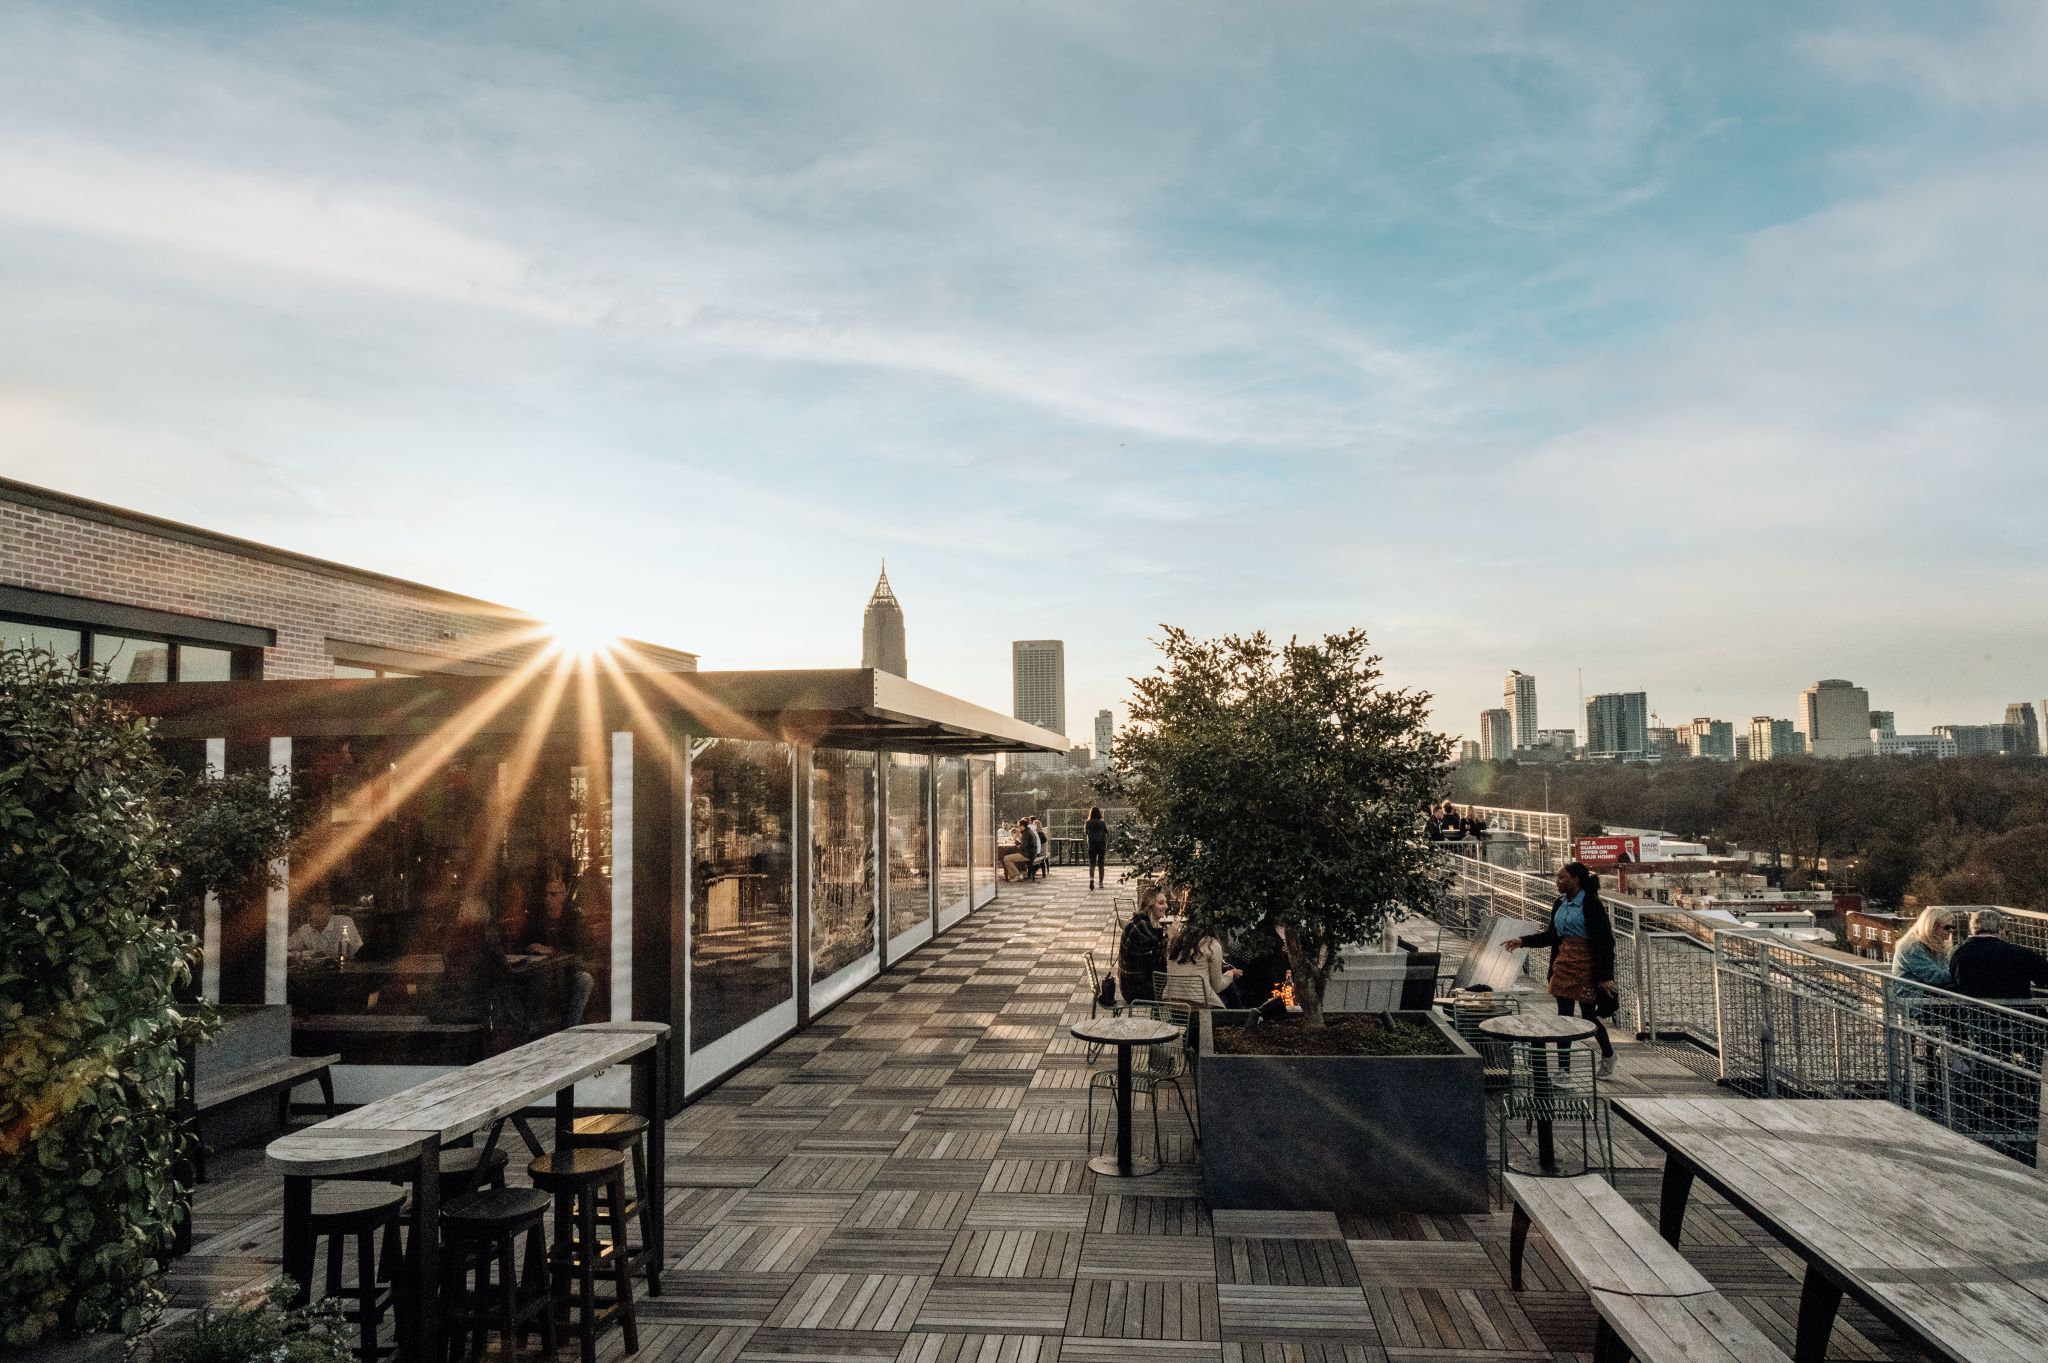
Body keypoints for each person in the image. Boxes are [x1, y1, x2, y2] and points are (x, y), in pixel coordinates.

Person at [1505, 861, 1618, 1077]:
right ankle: (1563, 1070)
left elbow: (1605, 942)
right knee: (1563, 1017)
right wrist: (1522, 940)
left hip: (1588, 965)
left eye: (1561, 877)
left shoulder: (1591, 905)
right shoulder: (1560, 903)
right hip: (1564, 963)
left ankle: (1609, 1054)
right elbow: (1551, 936)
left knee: (1588, 1016)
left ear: (1575, 880)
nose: (1557, 882)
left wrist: (1605, 976)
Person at [529, 862, 596, 1026]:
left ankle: (569, 1029)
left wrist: (551, 950)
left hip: (568, 973)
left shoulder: (573, 918)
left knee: (585, 980)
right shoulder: (538, 918)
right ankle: (534, 1027)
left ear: (563, 895)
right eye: (546, 894)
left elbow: (582, 947)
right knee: (506, 989)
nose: (548, 899)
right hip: (540, 973)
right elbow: (527, 941)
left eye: (553, 894)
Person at [1949, 909, 2048, 1000]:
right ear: (2000, 929)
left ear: (1972, 929)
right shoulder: (2018, 953)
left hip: (1973, 1015)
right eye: (2007, 932)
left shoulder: (1959, 954)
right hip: (2015, 1014)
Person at [1165, 924, 1242, 1009]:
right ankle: (1243, 1018)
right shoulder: (1211, 944)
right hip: (1199, 1006)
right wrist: (1231, 974)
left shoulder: (1174, 945)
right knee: (1229, 988)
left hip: (1172, 1003)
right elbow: (1217, 986)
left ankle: (1244, 1017)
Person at [1118, 886, 1169, 1005]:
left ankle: (1160, 1020)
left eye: (1166, 902)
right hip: (1135, 990)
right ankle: (1169, 1020)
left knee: (1176, 985)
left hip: (1133, 983)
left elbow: (1152, 953)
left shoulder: (1142, 922)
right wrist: (1169, 936)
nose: (1166, 906)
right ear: (1149, 906)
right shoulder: (1141, 925)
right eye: (1161, 903)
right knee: (1178, 990)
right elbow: (1155, 959)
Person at [1890, 906, 1960, 988]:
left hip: (1929, 992)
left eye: (1953, 927)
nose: (1951, 930)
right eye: (1947, 927)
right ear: (1932, 927)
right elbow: (1935, 978)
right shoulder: (1911, 947)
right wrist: (1964, 972)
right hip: (1913, 996)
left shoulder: (1934, 944)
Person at [1233, 910, 1290, 1009]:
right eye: (1279, 914)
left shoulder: (1292, 929)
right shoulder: (1264, 927)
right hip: (1267, 967)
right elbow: (1259, 949)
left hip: (1285, 965)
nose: (1281, 917)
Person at [287, 896, 363, 961]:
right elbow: (287, 947)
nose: (314, 916)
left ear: (330, 912)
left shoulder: (343, 922)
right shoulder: (305, 929)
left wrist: (310, 953)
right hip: (317, 973)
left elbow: (357, 951)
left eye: (319, 912)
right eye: (311, 913)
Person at [1085, 806, 1109, 890]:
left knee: (1092, 863)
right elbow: (1106, 831)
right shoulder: (1102, 822)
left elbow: (1086, 832)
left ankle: (1091, 879)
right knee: (1101, 864)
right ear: (1099, 813)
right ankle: (1101, 883)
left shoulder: (1088, 822)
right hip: (1101, 845)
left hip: (1092, 845)